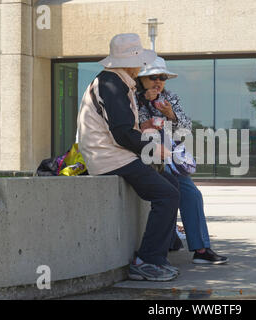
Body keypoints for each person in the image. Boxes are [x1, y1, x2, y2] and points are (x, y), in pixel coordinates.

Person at [77, 34, 181, 281]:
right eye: (140, 63)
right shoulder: (112, 84)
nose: (142, 67)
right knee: (167, 194)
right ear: (131, 62)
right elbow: (123, 133)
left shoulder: (115, 81)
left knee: (172, 186)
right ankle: (147, 261)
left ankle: (157, 256)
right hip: (110, 157)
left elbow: (121, 128)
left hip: (113, 155)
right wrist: (154, 150)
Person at [136, 57, 228, 265]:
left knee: (192, 195)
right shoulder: (132, 98)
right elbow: (127, 127)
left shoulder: (170, 97)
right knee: (173, 193)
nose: (158, 81)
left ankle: (201, 249)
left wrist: (171, 114)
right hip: (143, 158)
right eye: (153, 77)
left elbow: (186, 128)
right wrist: (144, 109)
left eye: (163, 77)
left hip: (168, 159)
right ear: (141, 79)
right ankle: (176, 242)